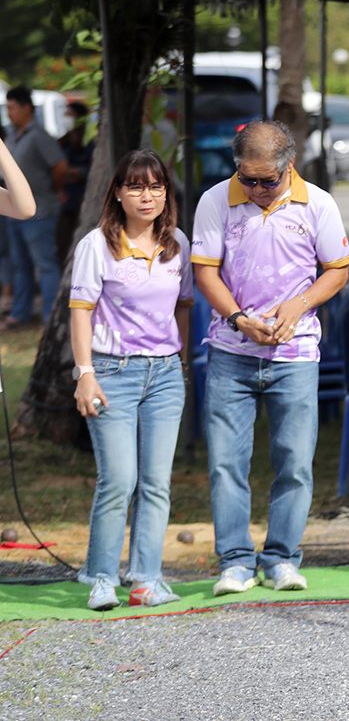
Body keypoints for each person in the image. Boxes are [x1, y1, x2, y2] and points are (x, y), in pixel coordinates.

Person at [192, 119, 349, 596]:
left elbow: (337, 270)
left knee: (295, 463)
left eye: (269, 181)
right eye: (248, 180)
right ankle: (235, 562)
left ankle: (282, 558)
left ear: (291, 165)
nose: (258, 190)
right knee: (226, 463)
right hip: (231, 350)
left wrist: (298, 305)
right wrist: (239, 318)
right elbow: (205, 273)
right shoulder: (215, 200)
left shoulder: (318, 203)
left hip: (296, 353)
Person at [71, 151, 191, 611]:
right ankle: (101, 577)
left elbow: (183, 305)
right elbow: (80, 314)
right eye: (136, 187)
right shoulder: (96, 245)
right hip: (110, 372)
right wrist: (85, 374)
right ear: (118, 193)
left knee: (156, 482)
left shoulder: (177, 243)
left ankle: (145, 579)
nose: (147, 196)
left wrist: (179, 358)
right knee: (119, 479)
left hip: (164, 375)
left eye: (156, 187)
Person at [3, 86, 75, 328]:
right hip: (12, 211)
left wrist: (54, 189)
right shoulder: (12, 135)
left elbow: (60, 166)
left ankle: (49, 316)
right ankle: (19, 314)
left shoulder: (39, 135)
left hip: (41, 210)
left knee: (45, 264)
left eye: (12, 108)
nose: (9, 113)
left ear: (27, 108)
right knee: (20, 266)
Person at [56, 100, 95, 260]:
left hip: (83, 200)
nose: (66, 119)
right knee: (63, 243)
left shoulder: (90, 142)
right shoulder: (62, 142)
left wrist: (77, 172)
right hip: (65, 201)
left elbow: (92, 169)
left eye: (70, 115)